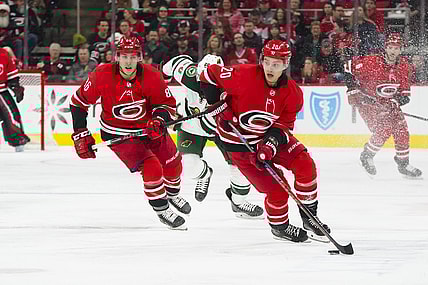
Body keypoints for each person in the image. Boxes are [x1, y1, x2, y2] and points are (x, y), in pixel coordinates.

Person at [199, 40, 330, 243]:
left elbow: (284, 126)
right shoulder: (242, 75)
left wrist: (270, 144)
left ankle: (309, 217)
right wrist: (216, 104)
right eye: (267, 62)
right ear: (262, 60)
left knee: (306, 165)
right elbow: (207, 74)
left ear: (286, 64)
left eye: (276, 64)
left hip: (269, 138)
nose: (270, 68)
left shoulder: (293, 93)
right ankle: (280, 226)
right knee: (277, 191)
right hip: (239, 144)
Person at [69, 37, 190, 230]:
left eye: (132, 57)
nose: (128, 61)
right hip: (118, 133)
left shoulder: (151, 75)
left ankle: (173, 194)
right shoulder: (102, 74)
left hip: (150, 129)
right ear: (117, 57)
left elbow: (165, 104)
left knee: (173, 162)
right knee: (152, 167)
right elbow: (78, 103)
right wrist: (81, 132)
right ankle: (162, 209)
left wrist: (158, 120)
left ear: (139, 57)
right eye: (124, 56)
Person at [163, 54, 264, 219]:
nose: (205, 86)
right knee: (188, 166)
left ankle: (238, 201)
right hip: (191, 126)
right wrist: (164, 92)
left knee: (242, 167)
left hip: (221, 130)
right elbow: (171, 64)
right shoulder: (188, 73)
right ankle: (204, 175)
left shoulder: (232, 88)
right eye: (202, 80)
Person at [344, 33, 422, 179]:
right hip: (367, 103)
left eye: (396, 48)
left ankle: (403, 163)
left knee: (401, 129)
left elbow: (405, 96)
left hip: (388, 104)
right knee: (384, 128)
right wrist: (351, 89)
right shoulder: (371, 62)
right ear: (385, 48)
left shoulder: (405, 67)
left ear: (401, 50)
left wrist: (396, 102)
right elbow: (348, 66)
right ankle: (366, 155)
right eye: (390, 47)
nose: (393, 51)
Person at [0, 47, 30, 151]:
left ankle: (18, 141)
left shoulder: (4, 54)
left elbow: (11, 75)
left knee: (13, 115)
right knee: (12, 115)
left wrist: (15, 87)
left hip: (2, 91)